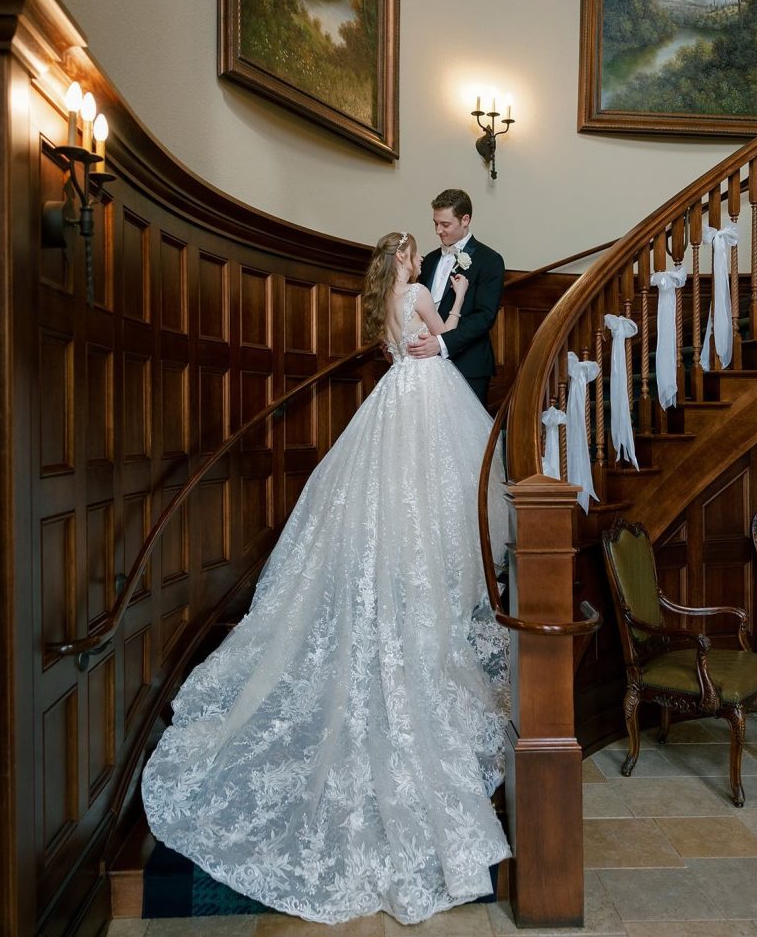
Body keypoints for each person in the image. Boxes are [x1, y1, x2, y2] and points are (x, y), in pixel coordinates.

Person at [141, 231, 511, 926]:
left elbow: (406, 346)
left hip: (398, 397)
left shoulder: (387, 305)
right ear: (405, 260)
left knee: (393, 494)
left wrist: (431, 327)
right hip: (426, 396)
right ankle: (423, 577)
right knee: (439, 494)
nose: (415, 257)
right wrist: (456, 298)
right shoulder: (424, 293)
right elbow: (447, 334)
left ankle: (401, 570)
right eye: (411, 250)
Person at [410, 188, 505, 407]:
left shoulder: (489, 260)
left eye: (445, 224)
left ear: (465, 219)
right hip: (427, 364)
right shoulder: (430, 260)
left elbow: (484, 316)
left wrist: (442, 343)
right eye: (435, 223)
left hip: (468, 364)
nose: (438, 231)